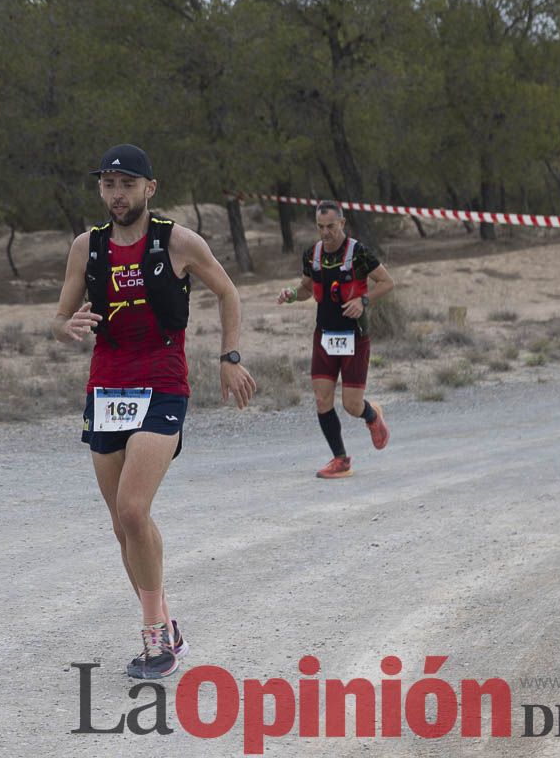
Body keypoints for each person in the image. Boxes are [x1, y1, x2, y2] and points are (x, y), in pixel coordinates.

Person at [52, 144, 256, 679]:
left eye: (127, 184)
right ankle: (168, 624)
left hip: (162, 385)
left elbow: (228, 293)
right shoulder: (86, 247)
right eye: (108, 185)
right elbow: (60, 315)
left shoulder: (178, 242)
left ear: (150, 188)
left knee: (134, 510)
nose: (117, 194)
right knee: (124, 525)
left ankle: (154, 643)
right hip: (107, 388)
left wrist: (229, 357)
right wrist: (65, 325)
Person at [277, 199, 395, 479]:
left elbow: (388, 282)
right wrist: (292, 295)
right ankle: (340, 460)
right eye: (320, 227)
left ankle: (372, 415)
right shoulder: (312, 254)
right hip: (324, 335)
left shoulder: (359, 253)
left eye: (331, 226)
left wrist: (362, 300)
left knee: (352, 405)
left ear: (342, 223)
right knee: (321, 399)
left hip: (355, 336)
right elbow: (307, 288)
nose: (326, 232)